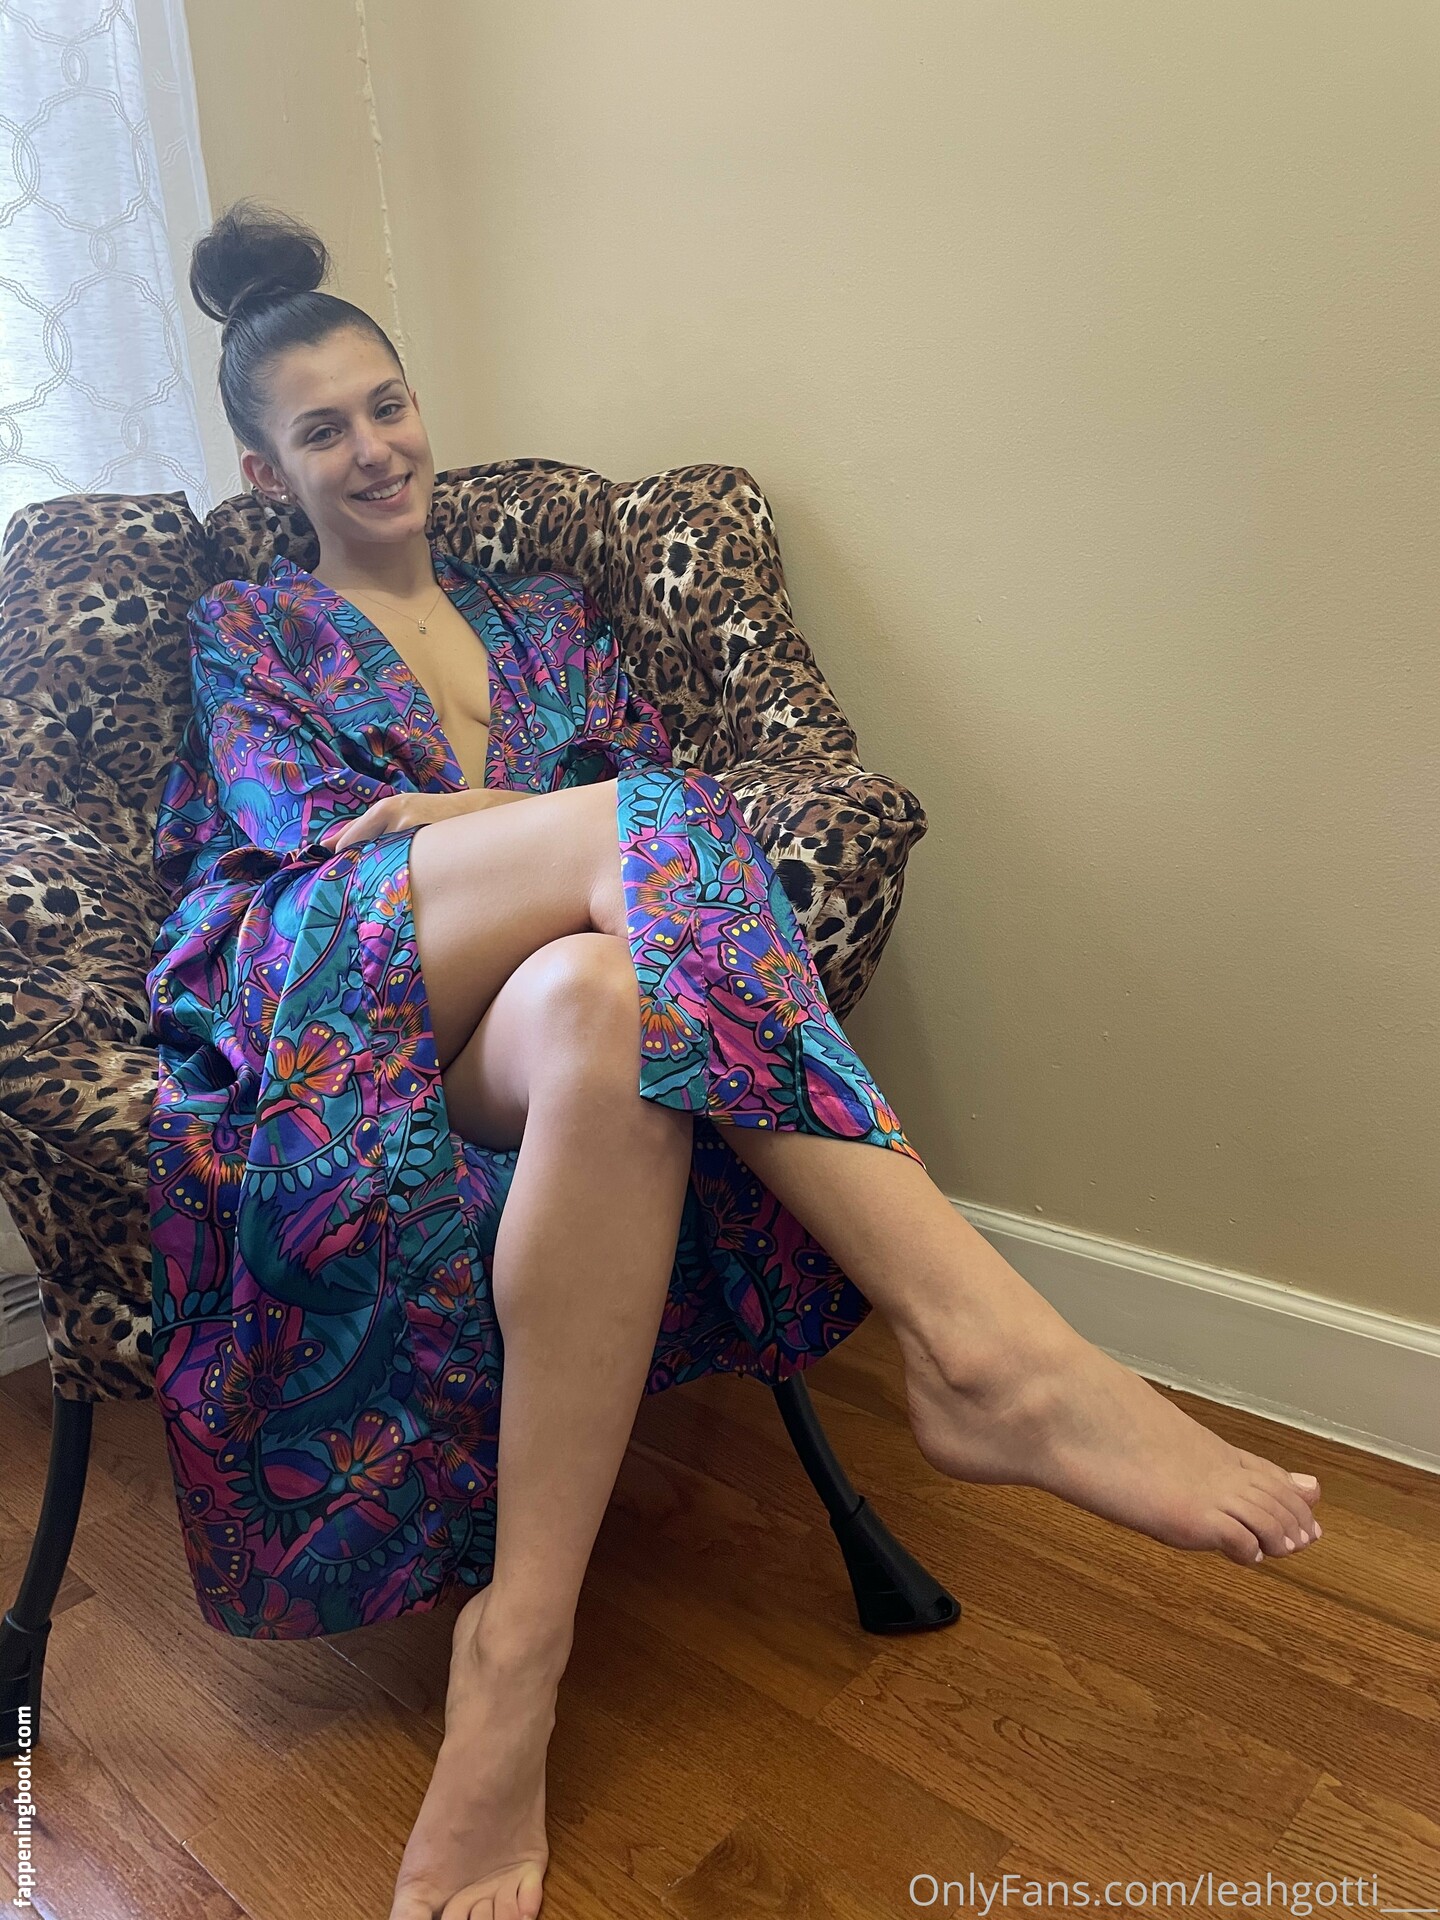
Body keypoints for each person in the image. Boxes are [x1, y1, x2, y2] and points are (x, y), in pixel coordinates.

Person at [146, 199, 1322, 1920]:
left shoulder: (546, 614)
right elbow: (333, 836)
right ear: (268, 473)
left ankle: (514, 1653)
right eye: (323, 431)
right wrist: (540, 824)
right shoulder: (249, 631)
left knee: (612, 1010)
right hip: (324, 990)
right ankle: (987, 1343)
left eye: (388, 405)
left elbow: (656, 854)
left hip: (521, 1000)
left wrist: (500, 817)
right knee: (642, 832)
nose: (375, 448)